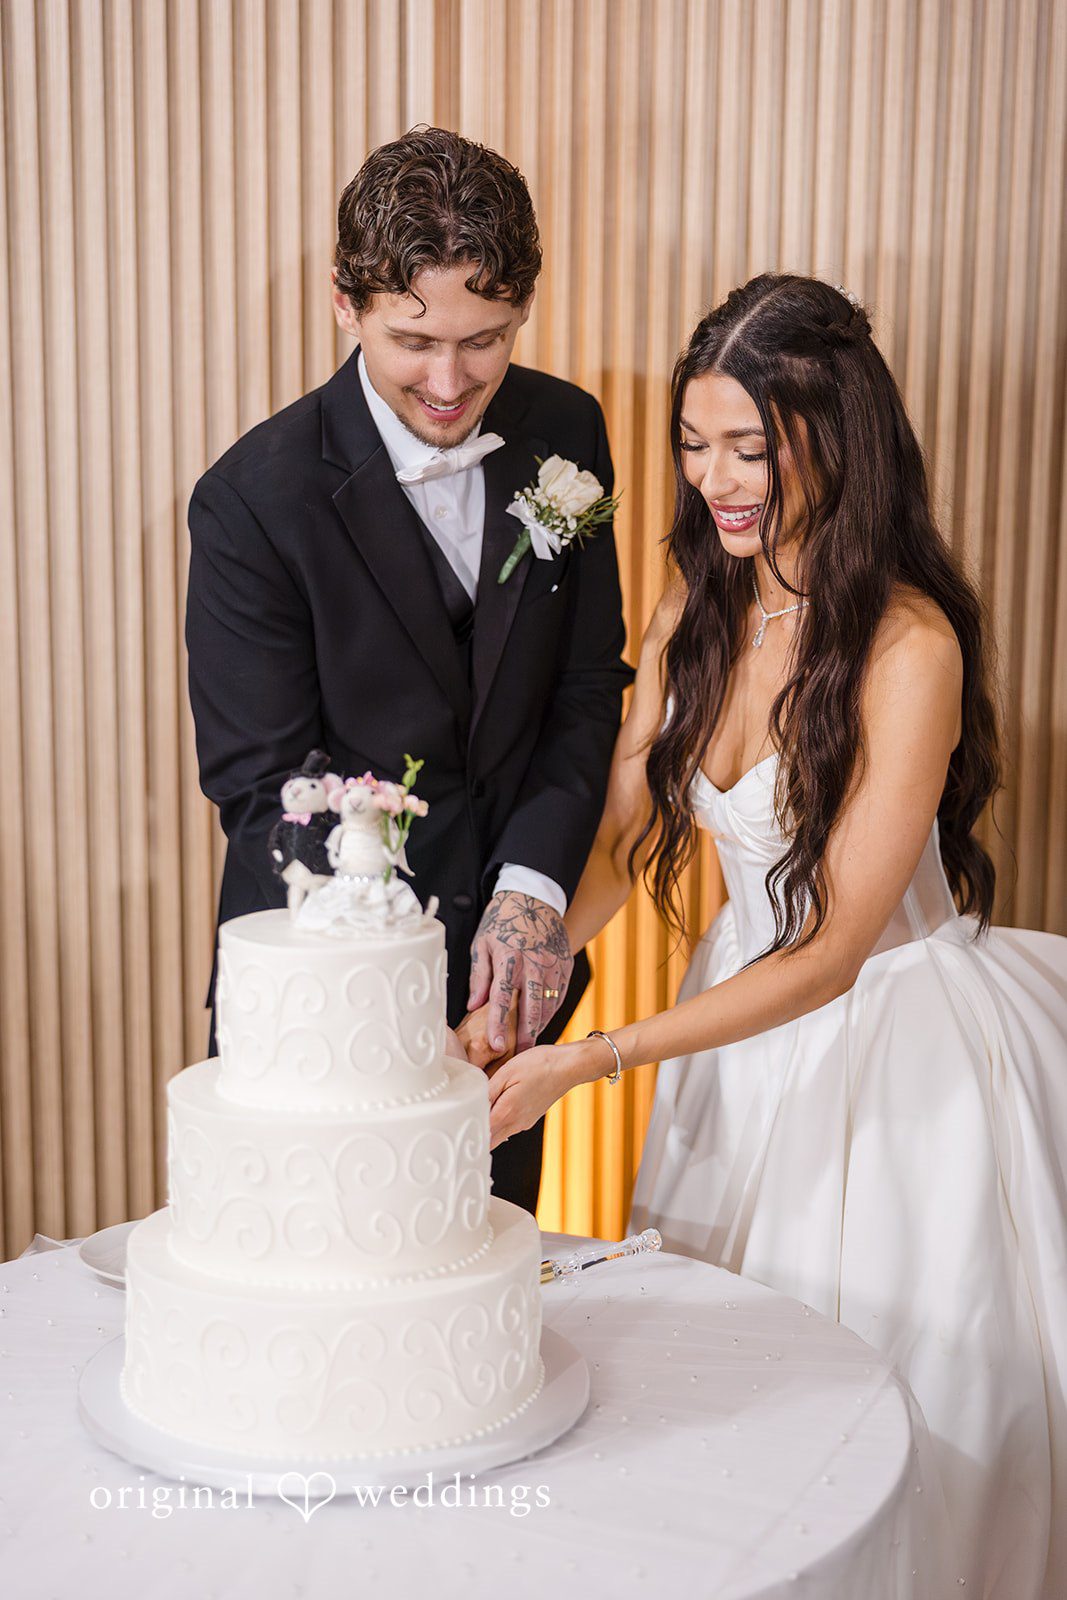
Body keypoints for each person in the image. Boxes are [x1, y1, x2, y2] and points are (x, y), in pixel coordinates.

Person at [481, 274, 1067, 1596]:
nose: (714, 480)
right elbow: (624, 845)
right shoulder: (698, 606)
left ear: (835, 437)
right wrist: (526, 979)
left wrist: (597, 1057)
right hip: (725, 1039)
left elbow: (833, 948)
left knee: (882, 1420)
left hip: (884, 1049)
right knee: (716, 1430)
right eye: (694, 445)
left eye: (749, 446)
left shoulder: (907, 646)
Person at [184, 126, 632, 1215]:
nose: (449, 381)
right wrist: (387, 991)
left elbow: (582, 693)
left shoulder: (564, 428)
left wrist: (531, 898)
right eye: (412, 339)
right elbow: (262, 788)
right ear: (346, 302)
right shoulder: (252, 500)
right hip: (326, 982)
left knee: (475, 1303)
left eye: (485, 339)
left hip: (508, 994)